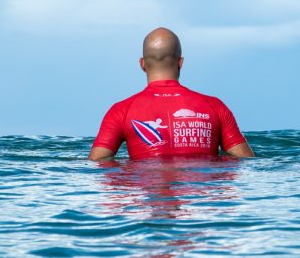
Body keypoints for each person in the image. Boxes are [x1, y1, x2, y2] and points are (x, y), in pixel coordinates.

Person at [88, 27, 254, 160]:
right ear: (180, 62)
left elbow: (97, 163)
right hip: (200, 197)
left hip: (144, 192)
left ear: (142, 64)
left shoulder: (121, 110)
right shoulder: (214, 106)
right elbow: (244, 161)